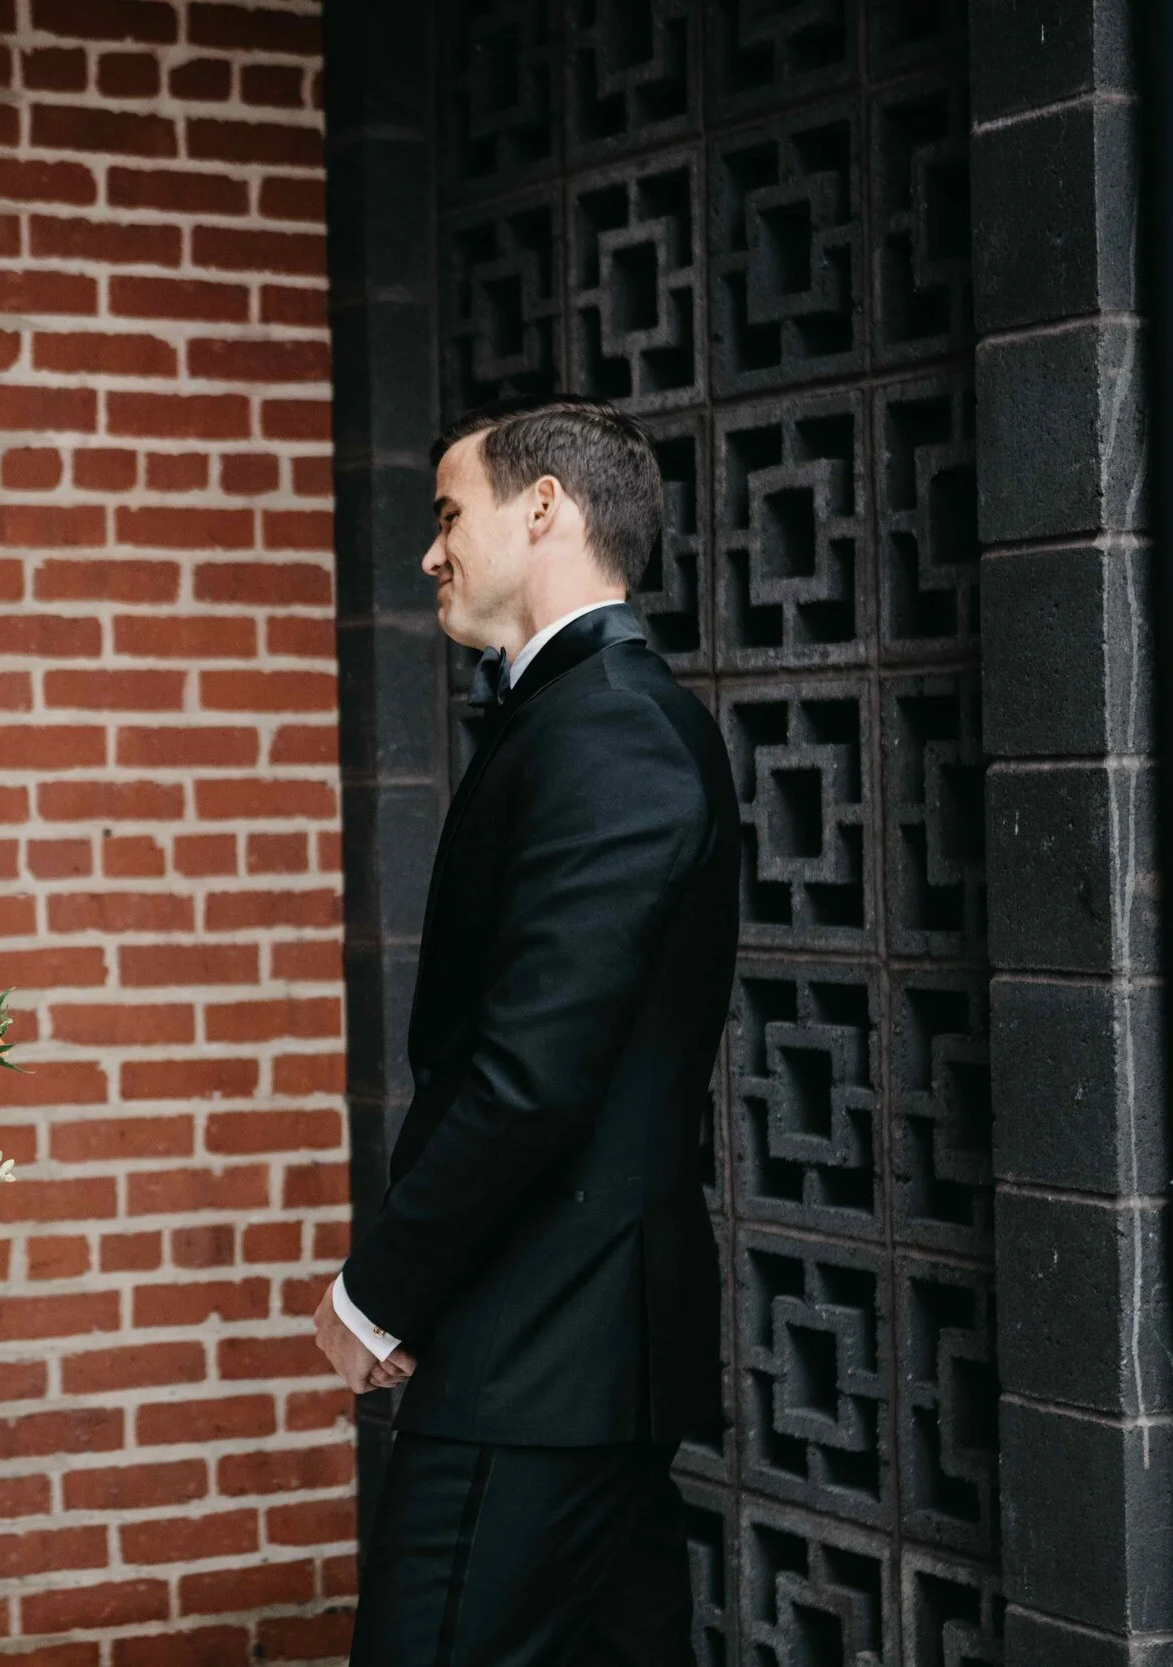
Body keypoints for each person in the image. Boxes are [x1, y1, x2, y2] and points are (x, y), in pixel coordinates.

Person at [317, 399, 739, 1666]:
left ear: (543, 506)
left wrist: (379, 1288)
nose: (429, 552)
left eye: (449, 515)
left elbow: (531, 1073)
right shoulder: (576, 716)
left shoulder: (611, 729)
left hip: (543, 1347)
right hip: (572, 1347)